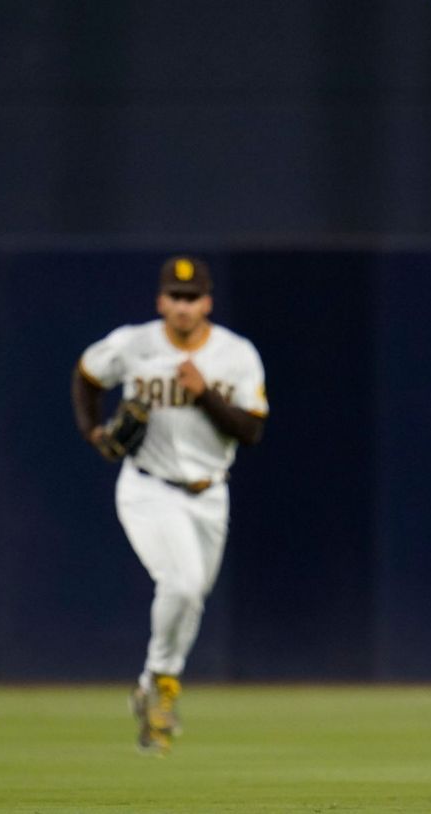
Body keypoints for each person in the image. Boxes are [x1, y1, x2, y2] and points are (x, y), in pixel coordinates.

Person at [70, 256, 268, 755]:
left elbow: (251, 430)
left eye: (192, 296)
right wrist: (92, 431)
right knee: (179, 584)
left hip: (210, 493)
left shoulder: (236, 354)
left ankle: (151, 685)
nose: (183, 306)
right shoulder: (133, 344)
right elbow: (88, 375)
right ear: (161, 301)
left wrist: (203, 395)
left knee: (191, 595)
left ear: (207, 302)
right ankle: (162, 683)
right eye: (175, 297)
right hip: (148, 486)